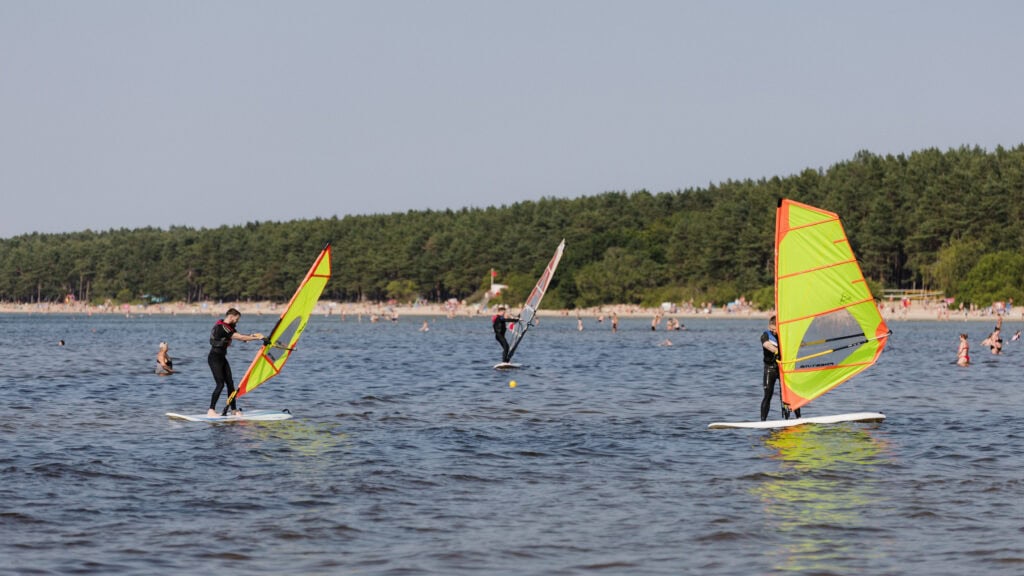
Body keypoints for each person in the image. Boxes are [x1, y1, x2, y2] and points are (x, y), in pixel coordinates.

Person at [207, 308, 265, 417]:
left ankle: (233, 410)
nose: (237, 321)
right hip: (214, 358)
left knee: (230, 384)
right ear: (231, 317)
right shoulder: (222, 327)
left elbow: (243, 337)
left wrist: (254, 336)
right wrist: (257, 338)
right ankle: (211, 410)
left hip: (222, 358)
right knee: (220, 384)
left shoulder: (229, 327)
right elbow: (240, 337)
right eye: (237, 319)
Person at [761, 315, 800, 421]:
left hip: (783, 368)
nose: (773, 331)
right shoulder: (766, 335)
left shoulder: (784, 336)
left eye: (775, 329)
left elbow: (796, 343)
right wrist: (777, 350)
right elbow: (766, 345)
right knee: (768, 395)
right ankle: (763, 421)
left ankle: (798, 418)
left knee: (787, 395)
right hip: (770, 369)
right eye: (771, 329)